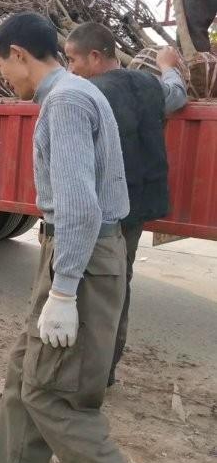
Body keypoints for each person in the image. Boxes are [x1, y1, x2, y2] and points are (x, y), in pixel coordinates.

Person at [0, 12, 168, 463]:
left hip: (79, 258)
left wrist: (63, 292)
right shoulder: (77, 95)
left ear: (19, 54)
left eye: (1, 65)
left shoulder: (64, 103)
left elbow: (80, 205)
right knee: (25, 369)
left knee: (54, 393)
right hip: (72, 252)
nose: (3, 78)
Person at [65, 23, 188, 386]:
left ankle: (81, 372)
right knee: (120, 284)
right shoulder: (149, 86)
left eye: (73, 60)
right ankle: (105, 371)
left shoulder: (89, 93)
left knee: (87, 286)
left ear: (95, 57)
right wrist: (168, 65)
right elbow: (177, 94)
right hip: (136, 207)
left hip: (100, 211)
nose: (70, 69)